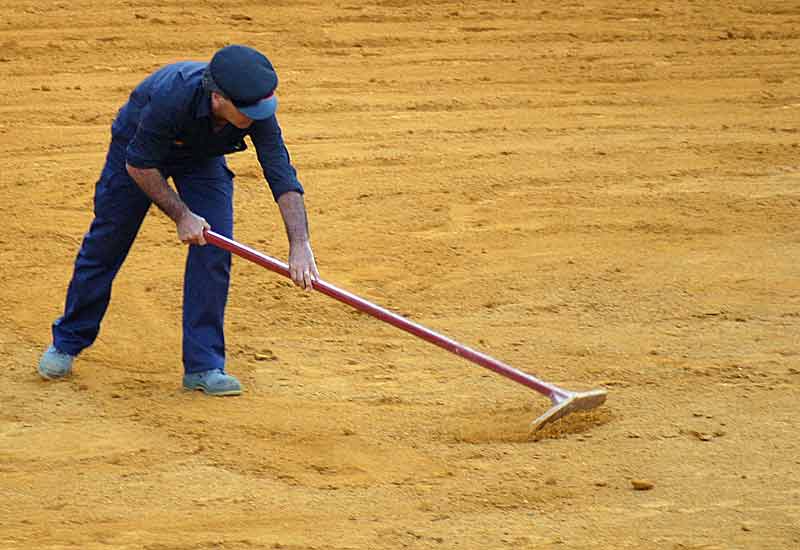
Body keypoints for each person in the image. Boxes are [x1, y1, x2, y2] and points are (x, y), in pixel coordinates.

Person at [37, 44, 319, 395]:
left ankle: (204, 366)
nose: (256, 115)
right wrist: (182, 215)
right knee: (108, 241)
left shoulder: (255, 109)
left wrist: (300, 243)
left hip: (202, 159)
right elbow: (139, 164)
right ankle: (67, 341)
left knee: (215, 249)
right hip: (137, 153)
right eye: (247, 110)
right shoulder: (172, 96)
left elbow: (280, 172)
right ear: (218, 99)